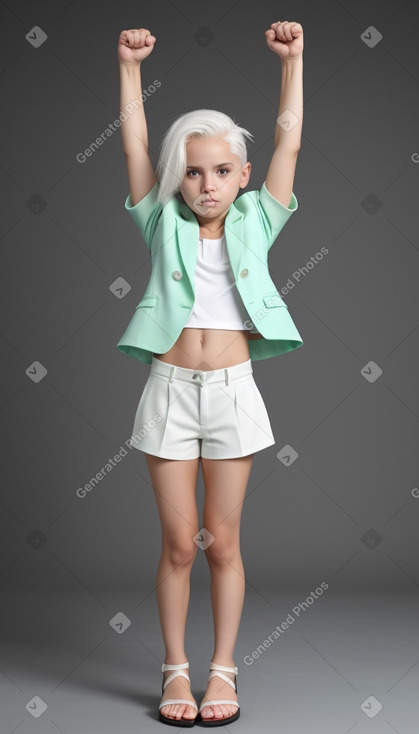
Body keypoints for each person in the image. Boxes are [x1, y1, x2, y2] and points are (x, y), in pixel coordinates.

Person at [117, 19, 304, 727]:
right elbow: (134, 142)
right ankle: (175, 669)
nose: (206, 183)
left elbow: (286, 136)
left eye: (221, 170)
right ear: (177, 177)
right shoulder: (158, 220)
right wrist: (130, 68)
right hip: (168, 394)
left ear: (242, 176)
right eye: (192, 170)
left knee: (221, 542)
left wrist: (292, 61)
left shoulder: (258, 219)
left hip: (232, 395)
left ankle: (222, 671)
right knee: (175, 544)